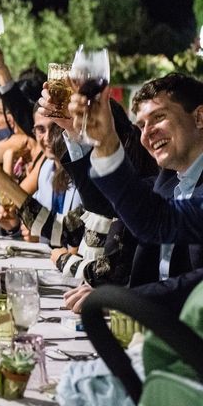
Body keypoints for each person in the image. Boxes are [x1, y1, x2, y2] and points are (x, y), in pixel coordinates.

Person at [64, 73, 203, 313]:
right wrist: (80, 135)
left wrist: (124, 299)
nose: (147, 134)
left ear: (199, 117)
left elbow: (196, 287)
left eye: (158, 117)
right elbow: (112, 205)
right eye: (141, 125)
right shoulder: (168, 179)